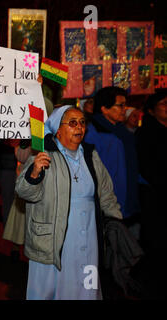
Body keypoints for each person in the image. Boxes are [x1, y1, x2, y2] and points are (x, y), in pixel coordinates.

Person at [15, 106, 122, 300]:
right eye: (72, 123)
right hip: (53, 241)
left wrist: (116, 222)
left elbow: (106, 191)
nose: (79, 127)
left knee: (86, 288)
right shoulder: (43, 155)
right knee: (50, 292)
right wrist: (34, 173)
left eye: (82, 123)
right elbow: (24, 192)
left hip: (88, 237)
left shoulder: (90, 155)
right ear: (58, 129)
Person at [84, 86, 140, 222]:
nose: (124, 109)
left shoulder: (122, 132)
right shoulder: (93, 134)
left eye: (125, 105)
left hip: (127, 199)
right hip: (109, 204)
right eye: (120, 105)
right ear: (104, 108)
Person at [134, 91, 167, 298]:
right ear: (152, 109)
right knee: (157, 243)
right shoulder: (146, 132)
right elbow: (147, 167)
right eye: (164, 103)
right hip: (155, 195)